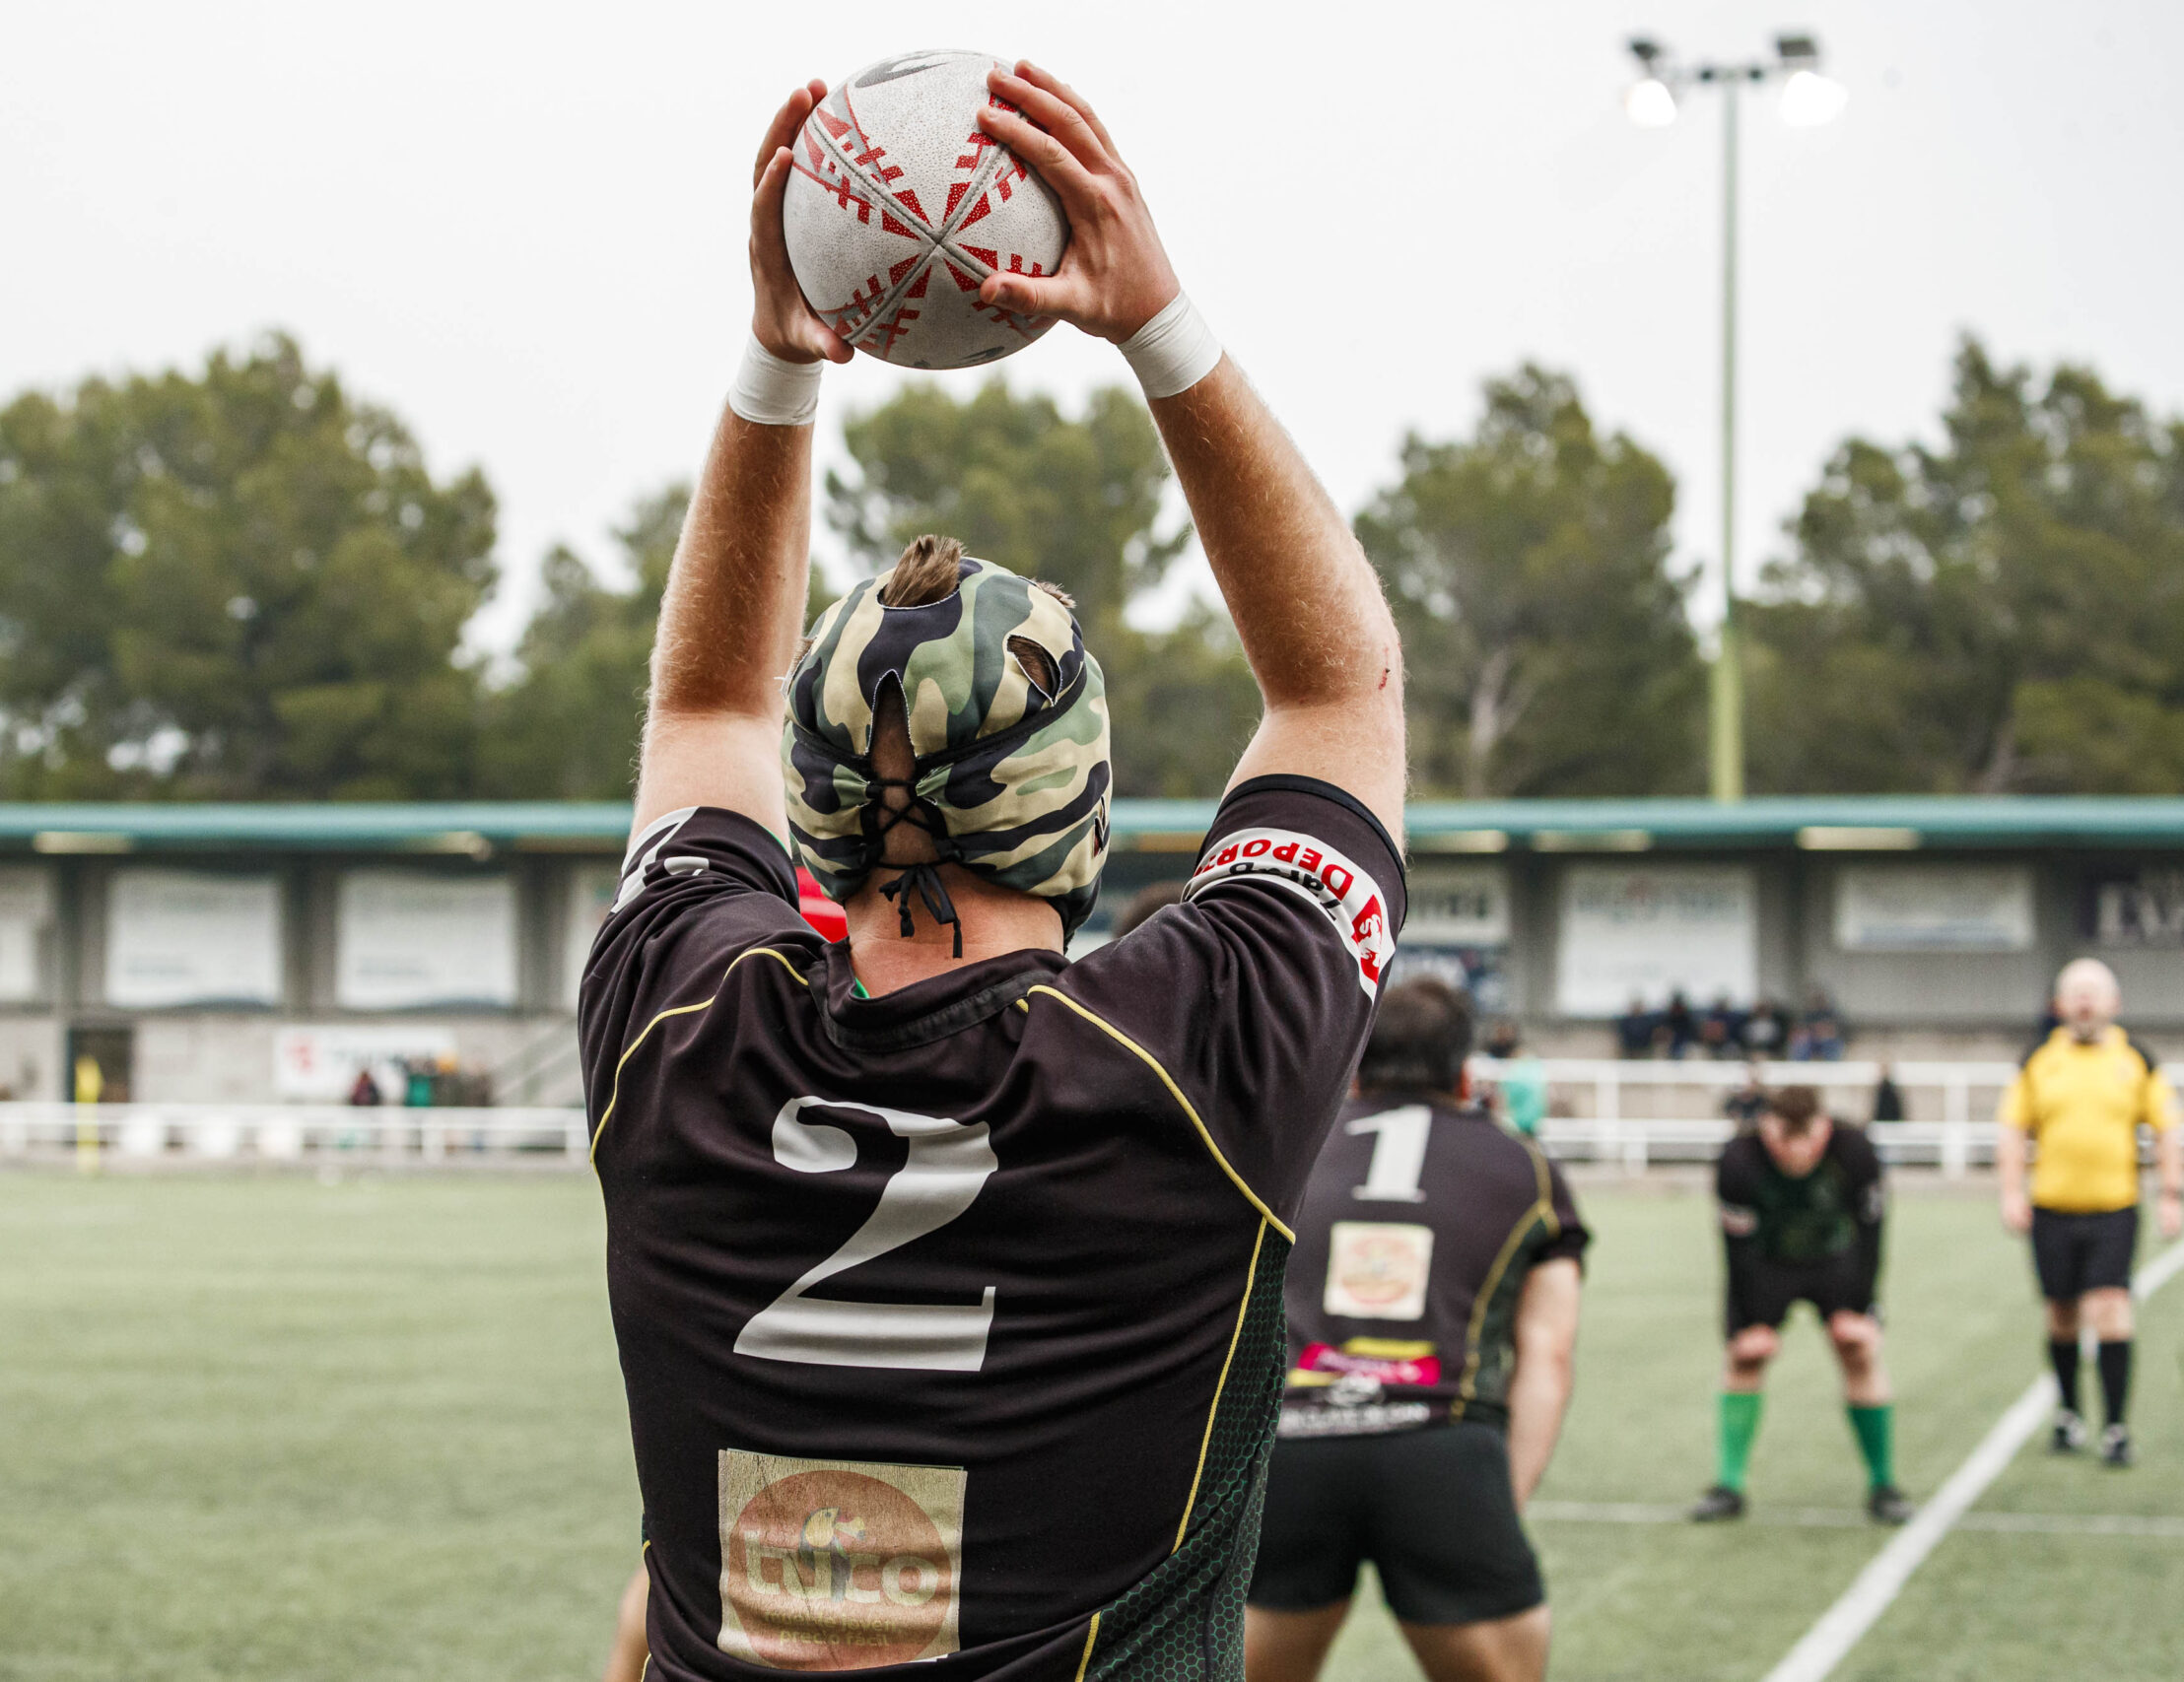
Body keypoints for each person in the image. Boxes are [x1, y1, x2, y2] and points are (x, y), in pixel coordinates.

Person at [583, 62, 1406, 1681]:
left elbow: (698, 705)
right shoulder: (1191, 1054)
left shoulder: (674, 1022)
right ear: (1085, 810)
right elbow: (1340, 685)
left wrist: (776, 359)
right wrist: (1156, 322)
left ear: (811, 822)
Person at [1244, 978, 1587, 1682]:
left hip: (1292, 1451)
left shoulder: (1281, 1146)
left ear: (1356, 1065)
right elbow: (1547, 1355)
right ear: (1466, 1073)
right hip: (1444, 1452)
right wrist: (1499, 1496)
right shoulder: (1529, 1169)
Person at [1693, 1086, 1913, 1524]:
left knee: (1858, 1352)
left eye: (1806, 1138)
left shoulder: (1854, 1151)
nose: (1795, 1151)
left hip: (1838, 1262)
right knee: (1745, 1359)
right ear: (1766, 1128)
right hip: (1768, 1266)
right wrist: (1742, 1324)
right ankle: (1729, 1485)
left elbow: (1871, 1236)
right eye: (1782, 1139)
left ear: (1824, 1127)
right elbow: (1735, 1251)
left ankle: (1883, 1484)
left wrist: (1863, 1308)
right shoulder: (1738, 1159)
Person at [1997, 958, 2184, 1467]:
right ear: (2058, 1005)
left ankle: (2116, 1427)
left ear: (2114, 1003)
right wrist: (2011, 1191)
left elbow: (2167, 1129)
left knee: (2110, 1308)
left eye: (2093, 992)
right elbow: (2015, 1130)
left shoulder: (2136, 1058)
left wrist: (2172, 1193)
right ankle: (2069, 1414)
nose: (2084, 1001)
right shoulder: (2038, 1058)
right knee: (2061, 1314)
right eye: (2075, 993)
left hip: (2113, 1209)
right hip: (2052, 1209)